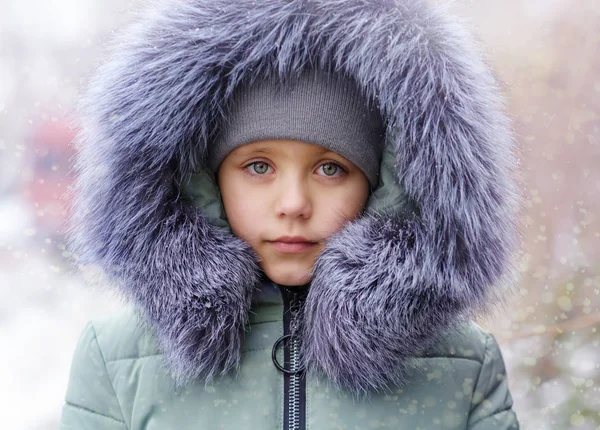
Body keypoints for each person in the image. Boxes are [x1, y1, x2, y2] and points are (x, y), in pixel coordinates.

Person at [59, 0, 522, 428]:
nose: (294, 203)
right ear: (205, 178)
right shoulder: (117, 362)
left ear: (385, 182)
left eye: (331, 168)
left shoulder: (463, 364)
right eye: (258, 167)